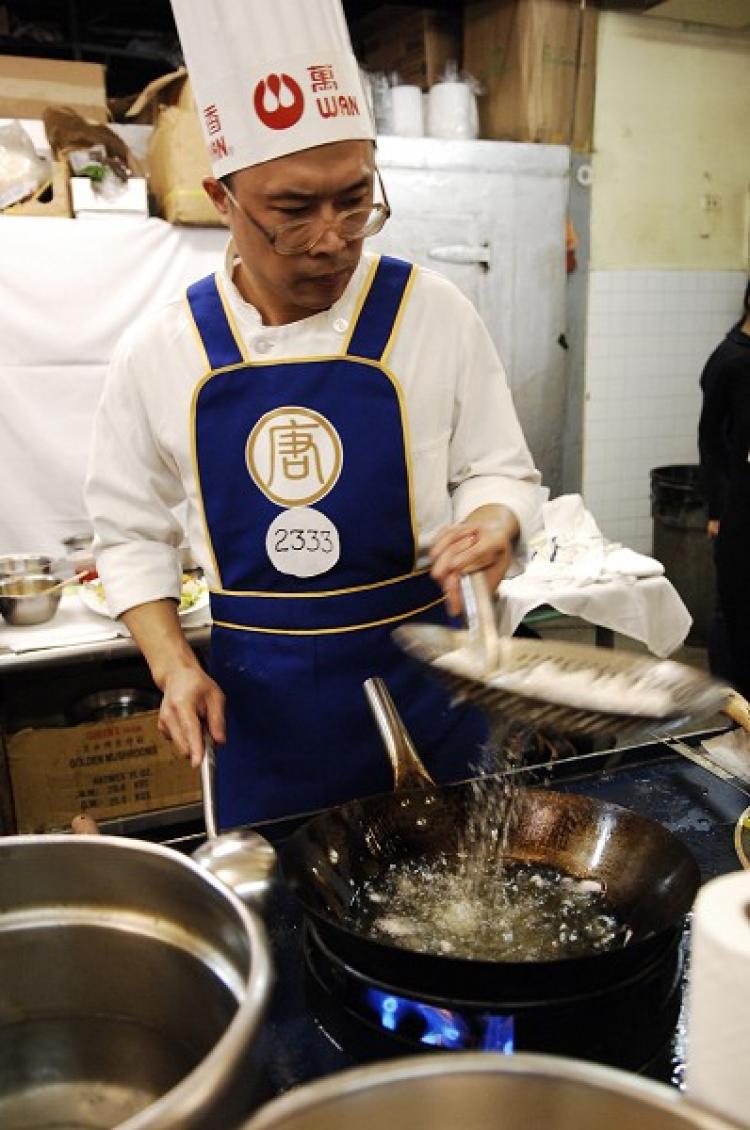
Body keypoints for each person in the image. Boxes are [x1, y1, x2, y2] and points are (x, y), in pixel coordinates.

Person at [85, 0, 544, 829]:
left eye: (356, 199)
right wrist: (172, 664)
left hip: (436, 692)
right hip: (266, 719)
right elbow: (127, 532)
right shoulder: (163, 352)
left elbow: (499, 466)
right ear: (222, 196)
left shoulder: (432, 312)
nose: (334, 239)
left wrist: (495, 522)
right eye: (294, 210)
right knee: (293, 927)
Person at [698, 279, 750, 699]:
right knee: (734, 607)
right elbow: (710, 440)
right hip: (737, 505)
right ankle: (733, 706)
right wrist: (717, 508)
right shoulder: (728, 361)